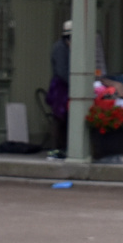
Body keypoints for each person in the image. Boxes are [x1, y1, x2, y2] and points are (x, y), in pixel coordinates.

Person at [46, 21, 71, 149]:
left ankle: (62, 146)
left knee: (64, 118)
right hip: (61, 87)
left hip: (64, 86)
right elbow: (62, 71)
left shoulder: (64, 46)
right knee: (59, 118)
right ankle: (57, 148)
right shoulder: (60, 48)